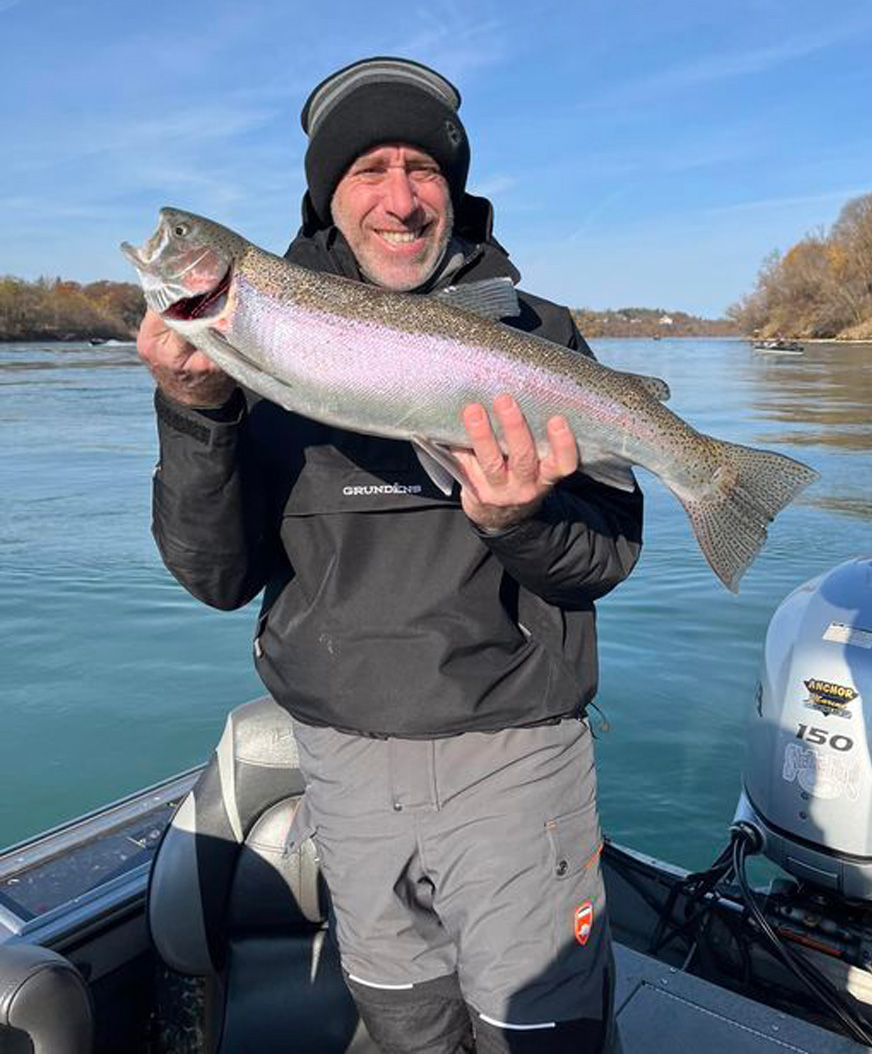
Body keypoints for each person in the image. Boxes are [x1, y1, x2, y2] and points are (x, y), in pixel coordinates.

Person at [137, 56, 642, 1054]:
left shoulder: (539, 336)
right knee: (403, 1026)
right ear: (329, 192)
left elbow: (606, 558)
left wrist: (520, 521)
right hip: (343, 768)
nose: (402, 199)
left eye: (425, 169)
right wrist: (196, 412)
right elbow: (215, 578)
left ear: (453, 189)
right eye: (371, 169)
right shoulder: (255, 337)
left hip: (518, 762)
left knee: (537, 1032)